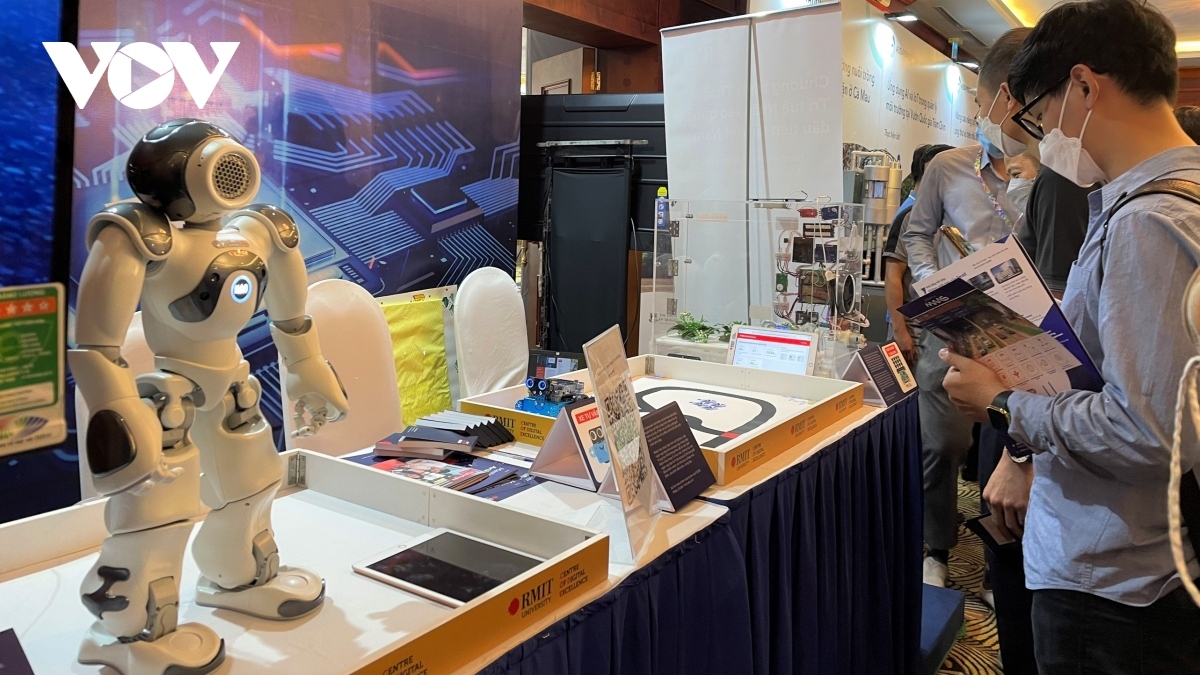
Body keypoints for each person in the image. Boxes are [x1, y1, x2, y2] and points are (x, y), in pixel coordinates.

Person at [941, 1, 1200, 672]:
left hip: (1115, 578)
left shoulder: (1148, 222)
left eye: (1039, 112)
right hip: (1137, 558)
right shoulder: (1162, 199)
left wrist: (1002, 405)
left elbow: (1146, 432)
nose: (1043, 135)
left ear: (1084, 85)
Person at [900, 26, 1031, 587]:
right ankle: (936, 548)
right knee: (941, 445)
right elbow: (916, 233)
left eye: (982, 102)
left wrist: (1030, 187)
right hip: (953, 326)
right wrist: (931, 283)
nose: (979, 115)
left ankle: (1002, 568)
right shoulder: (948, 166)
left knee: (1010, 445)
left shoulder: (1055, 175)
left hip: (1023, 333)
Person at [884, 144, 952, 366]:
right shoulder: (909, 216)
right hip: (914, 330)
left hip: (946, 328)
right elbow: (893, 276)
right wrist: (900, 331)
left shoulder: (954, 215)